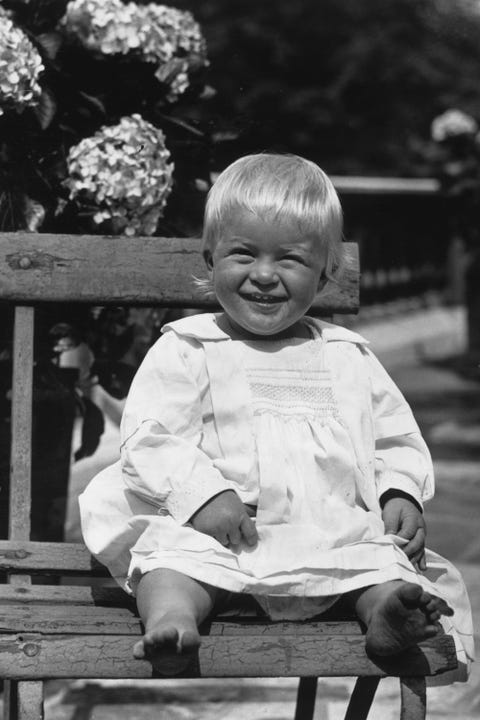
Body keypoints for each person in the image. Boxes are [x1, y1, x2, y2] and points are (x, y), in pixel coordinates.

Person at [79, 153, 473, 679]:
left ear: (326, 270)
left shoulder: (347, 355)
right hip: (218, 537)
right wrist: (201, 495)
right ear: (210, 255)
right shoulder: (190, 347)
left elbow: (393, 437)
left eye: (289, 259)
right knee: (170, 562)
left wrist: (397, 490)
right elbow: (150, 437)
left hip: (330, 535)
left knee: (378, 565)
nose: (263, 275)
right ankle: (172, 619)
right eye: (243, 253)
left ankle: (385, 613)